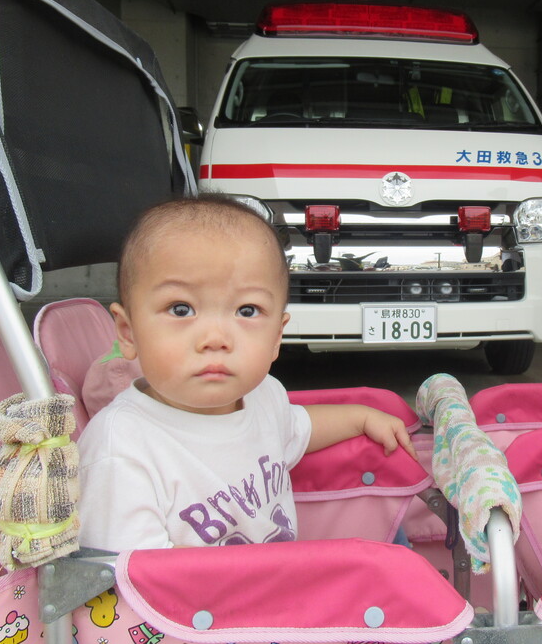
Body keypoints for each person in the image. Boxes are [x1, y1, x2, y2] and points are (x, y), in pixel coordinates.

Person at [77, 194, 417, 551]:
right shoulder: (122, 451)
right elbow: (133, 588)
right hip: (199, 605)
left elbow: (296, 427)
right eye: (180, 309)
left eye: (247, 310)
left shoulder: (263, 396)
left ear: (276, 337)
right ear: (128, 333)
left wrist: (360, 418)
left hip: (274, 587)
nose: (216, 338)